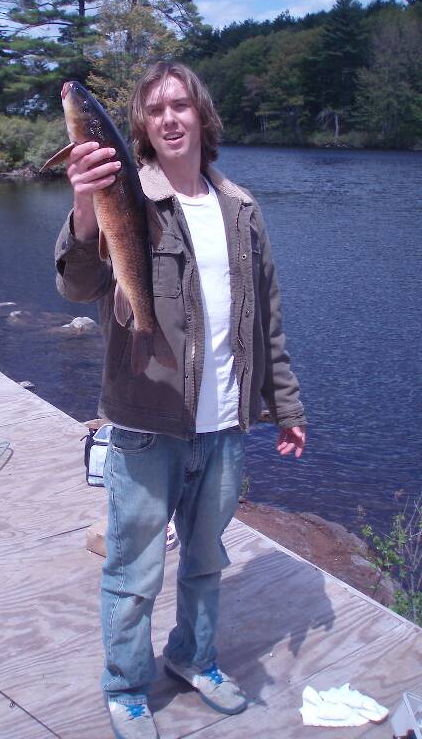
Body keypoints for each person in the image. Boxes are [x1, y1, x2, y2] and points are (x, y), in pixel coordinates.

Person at [54, 61, 306, 739]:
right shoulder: (127, 193)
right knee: (133, 569)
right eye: (156, 108)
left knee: (205, 559)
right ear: (141, 125)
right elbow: (78, 286)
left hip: (225, 424)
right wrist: (83, 205)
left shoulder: (243, 209)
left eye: (181, 106)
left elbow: (267, 320)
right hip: (144, 424)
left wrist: (286, 406)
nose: (169, 118)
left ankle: (193, 658)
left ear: (202, 117)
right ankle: (127, 686)